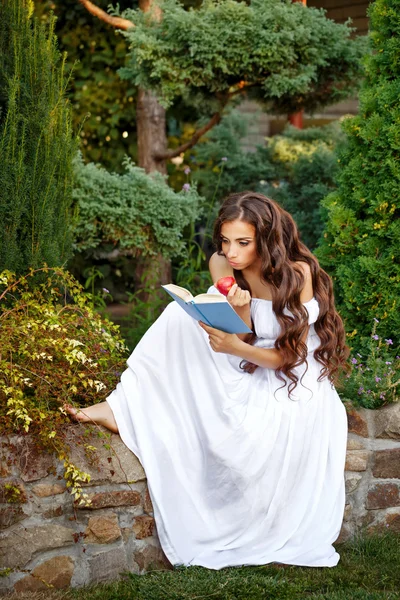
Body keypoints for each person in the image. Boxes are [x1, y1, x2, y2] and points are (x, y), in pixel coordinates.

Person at [66, 191, 350, 569]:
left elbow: (289, 357)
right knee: (176, 317)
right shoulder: (223, 263)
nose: (231, 252)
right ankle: (121, 406)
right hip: (246, 355)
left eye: (243, 243)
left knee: (244, 414)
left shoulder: (298, 275)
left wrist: (234, 346)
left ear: (266, 239)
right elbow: (243, 332)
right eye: (225, 241)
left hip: (291, 376)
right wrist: (241, 310)